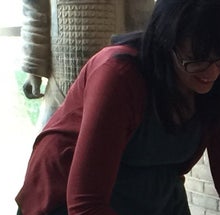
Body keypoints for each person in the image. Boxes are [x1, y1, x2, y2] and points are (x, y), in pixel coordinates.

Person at [10, 0, 220, 215]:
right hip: (72, 199)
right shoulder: (118, 72)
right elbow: (85, 205)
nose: (211, 73)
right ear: (167, 43)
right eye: (196, 61)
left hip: (154, 197)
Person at [21, 0, 155, 127]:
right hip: (59, 78)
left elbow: (141, 16)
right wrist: (34, 67)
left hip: (113, 77)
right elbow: (36, 11)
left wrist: (144, 65)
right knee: (52, 142)